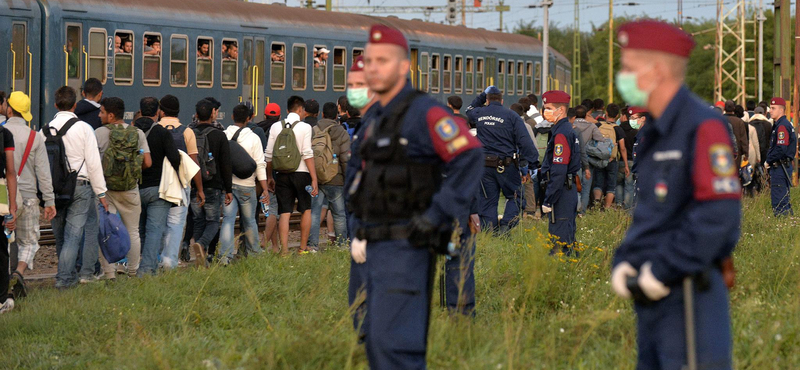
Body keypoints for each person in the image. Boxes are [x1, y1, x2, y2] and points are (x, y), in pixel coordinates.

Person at [349, 24, 482, 367]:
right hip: (375, 246)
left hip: (407, 248)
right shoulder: (377, 118)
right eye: (369, 60)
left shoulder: (424, 113)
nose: (373, 67)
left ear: (404, 66)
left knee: (397, 349)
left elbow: (469, 154)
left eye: (383, 60)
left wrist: (436, 216)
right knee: (376, 343)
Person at [610, 20, 740, 370]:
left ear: (655, 71)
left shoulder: (702, 126)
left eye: (628, 68)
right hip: (653, 296)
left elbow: (718, 215)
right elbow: (652, 211)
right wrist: (626, 258)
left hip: (688, 293)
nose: (622, 77)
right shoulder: (655, 130)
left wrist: (663, 268)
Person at [47, 86, 108, 288]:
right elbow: (93, 163)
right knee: (73, 236)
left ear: (55, 105)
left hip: (54, 189)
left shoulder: (45, 130)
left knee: (61, 236)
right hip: (80, 187)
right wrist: (101, 193)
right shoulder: (83, 129)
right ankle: (65, 279)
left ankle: (68, 275)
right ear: (74, 105)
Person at [466, 85, 539, 234]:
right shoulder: (511, 116)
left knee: (487, 201)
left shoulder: (479, 113)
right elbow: (524, 141)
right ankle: (505, 227)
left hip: (484, 166)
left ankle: (489, 232)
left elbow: (469, 110)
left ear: (487, 100)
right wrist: (531, 163)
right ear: (502, 100)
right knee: (516, 197)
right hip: (506, 166)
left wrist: (482, 95)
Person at [95, 97, 152, 279]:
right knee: (133, 231)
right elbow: (148, 162)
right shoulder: (138, 133)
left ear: (111, 115)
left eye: (102, 112)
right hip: (130, 189)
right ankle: (133, 271)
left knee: (106, 231)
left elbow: (94, 164)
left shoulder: (99, 134)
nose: (99, 114)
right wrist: (132, 171)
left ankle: (109, 273)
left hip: (106, 191)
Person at [5, 92, 56, 295]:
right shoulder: (34, 137)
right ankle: (18, 272)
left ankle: (6, 280)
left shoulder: (1, 132)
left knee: (6, 241)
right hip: (27, 197)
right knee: (29, 242)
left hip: (4, 198)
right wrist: (50, 201)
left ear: (9, 109)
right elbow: (43, 173)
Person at [134, 97, 180, 275]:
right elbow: (175, 158)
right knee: (154, 231)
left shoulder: (133, 131)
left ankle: (136, 265)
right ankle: (147, 269)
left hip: (135, 188)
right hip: (157, 189)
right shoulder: (162, 132)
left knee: (139, 230)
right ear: (158, 112)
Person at [157, 95, 205, 267]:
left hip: (159, 184)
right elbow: (194, 163)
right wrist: (199, 189)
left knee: (157, 222)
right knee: (176, 224)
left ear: (161, 111)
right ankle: (170, 261)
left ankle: (157, 259)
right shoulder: (187, 131)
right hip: (180, 184)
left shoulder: (155, 129)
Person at [265, 96, 317, 255]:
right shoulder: (306, 127)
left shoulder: (275, 127)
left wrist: (269, 177)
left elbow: (268, 155)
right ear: (301, 110)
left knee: (285, 213)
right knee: (306, 209)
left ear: (287, 110)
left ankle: (284, 251)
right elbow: (307, 154)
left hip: (282, 174)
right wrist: (314, 178)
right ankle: (302, 249)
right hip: (302, 175)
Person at [219, 104, 268, 264]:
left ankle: (224, 257)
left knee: (228, 220)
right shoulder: (254, 138)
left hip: (228, 187)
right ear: (249, 118)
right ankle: (254, 254)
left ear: (232, 117)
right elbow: (260, 164)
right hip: (247, 186)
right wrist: (265, 188)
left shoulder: (224, 135)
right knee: (250, 221)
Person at [190, 99, 233, 264]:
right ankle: (202, 245)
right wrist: (228, 189)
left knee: (198, 221)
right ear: (213, 114)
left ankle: (200, 258)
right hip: (213, 185)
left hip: (195, 184)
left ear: (196, 115)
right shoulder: (219, 135)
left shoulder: (190, 132)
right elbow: (225, 164)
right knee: (213, 221)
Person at [539, 91, 581, 255]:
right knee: (567, 235)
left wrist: (548, 199)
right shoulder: (564, 129)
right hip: (566, 189)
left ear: (561, 110)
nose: (545, 111)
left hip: (561, 191)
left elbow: (559, 169)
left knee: (559, 239)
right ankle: (572, 265)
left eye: (549, 108)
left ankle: (561, 271)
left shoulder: (561, 134)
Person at [308, 102, 351, 251]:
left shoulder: (314, 130)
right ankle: (341, 246)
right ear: (336, 115)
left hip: (317, 178)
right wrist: (347, 179)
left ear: (323, 114)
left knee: (314, 213)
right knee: (339, 214)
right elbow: (345, 159)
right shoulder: (342, 132)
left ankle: (312, 246)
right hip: (336, 178)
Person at [593, 103, 629, 209]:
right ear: (617, 115)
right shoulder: (618, 129)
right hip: (612, 160)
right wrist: (626, 164)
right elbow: (622, 148)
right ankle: (607, 208)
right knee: (611, 186)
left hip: (598, 158)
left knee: (598, 183)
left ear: (606, 113)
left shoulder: (598, 126)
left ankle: (596, 204)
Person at [766, 97, 797, 216]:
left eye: (773, 108)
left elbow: (781, 148)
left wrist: (768, 160)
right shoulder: (782, 124)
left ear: (781, 110)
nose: (770, 111)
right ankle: (788, 224)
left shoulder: (782, 126)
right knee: (783, 199)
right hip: (783, 166)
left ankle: (783, 223)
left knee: (779, 202)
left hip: (780, 167)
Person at [572, 105, 603, 215]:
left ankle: (575, 209)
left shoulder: (571, 125)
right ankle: (582, 212)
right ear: (586, 115)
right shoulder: (592, 126)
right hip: (588, 160)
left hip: (574, 160)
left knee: (575, 186)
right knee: (586, 187)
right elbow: (600, 139)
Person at [618, 107, 646, 210]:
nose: (631, 121)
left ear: (643, 118)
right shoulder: (639, 134)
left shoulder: (645, 136)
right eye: (631, 118)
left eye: (634, 118)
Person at [724, 100, 749, 169]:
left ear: (724, 109)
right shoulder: (739, 121)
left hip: (722, 152)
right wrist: (746, 153)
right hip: (736, 154)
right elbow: (743, 139)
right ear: (734, 108)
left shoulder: (720, 119)